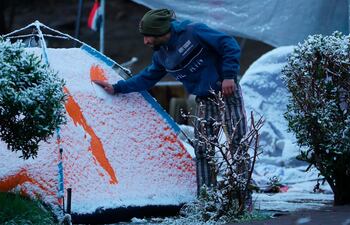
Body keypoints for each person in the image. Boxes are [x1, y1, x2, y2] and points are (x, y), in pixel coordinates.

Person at [93, 9, 248, 197]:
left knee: (237, 143)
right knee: (203, 148)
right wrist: (117, 88)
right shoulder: (161, 55)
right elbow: (147, 78)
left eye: (148, 36)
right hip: (205, 99)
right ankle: (207, 198)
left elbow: (229, 44)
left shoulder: (193, 31)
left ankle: (243, 194)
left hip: (226, 90)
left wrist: (229, 76)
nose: (145, 41)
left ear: (160, 32)